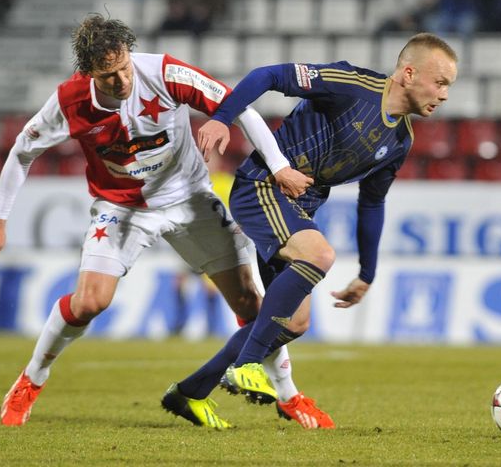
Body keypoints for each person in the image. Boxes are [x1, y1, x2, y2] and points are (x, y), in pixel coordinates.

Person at [0, 14, 328, 429]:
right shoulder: (69, 102)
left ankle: (288, 396)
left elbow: (244, 111)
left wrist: (280, 167)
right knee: (90, 302)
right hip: (120, 208)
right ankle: (31, 379)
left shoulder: (163, 72)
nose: (123, 81)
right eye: (109, 76)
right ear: (89, 72)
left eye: (125, 67)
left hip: (190, 200)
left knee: (251, 304)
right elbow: (22, 152)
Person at [162, 33, 458, 426]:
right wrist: (220, 118)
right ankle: (247, 365)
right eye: (440, 83)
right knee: (319, 255)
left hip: (298, 207)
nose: (445, 95)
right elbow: (268, 75)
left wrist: (367, 273)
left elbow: (371, 203)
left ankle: (189, 392)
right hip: (262, 185)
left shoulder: (400, 139)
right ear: (408, 73)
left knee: (293, 322)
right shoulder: (352, 86)